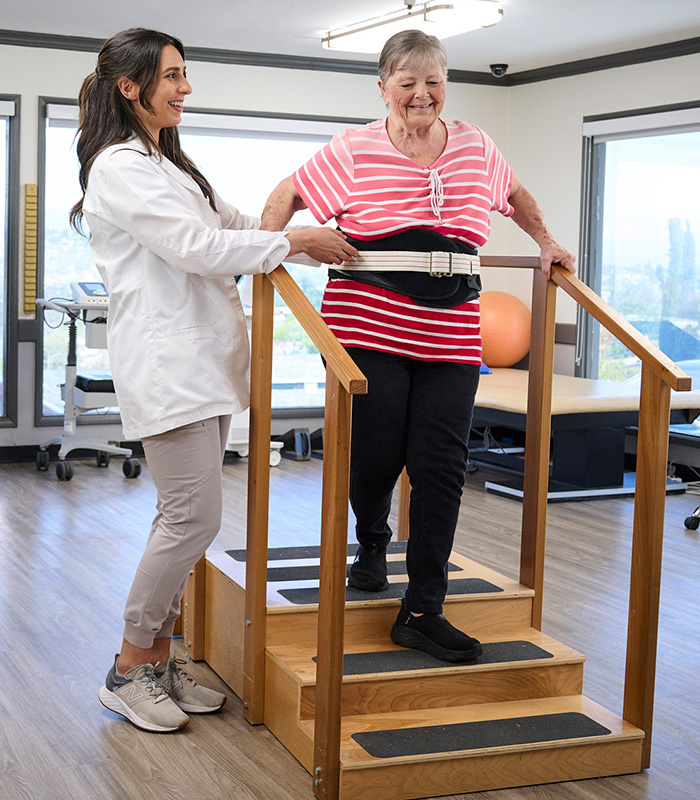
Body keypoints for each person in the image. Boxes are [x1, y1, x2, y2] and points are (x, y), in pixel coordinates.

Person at [71, 28, 358, 733]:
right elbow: (199, 249)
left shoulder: (170, 165)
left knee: (188, 520)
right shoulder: (119, 167)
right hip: (168, 368)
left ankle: (160, 658)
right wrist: (293, 241)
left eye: (184, 74)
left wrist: (303, 226)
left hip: (201, 366)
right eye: (172, 75)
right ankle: (130, 665)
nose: (186, 88)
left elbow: (227, 223)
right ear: (130, 86)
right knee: (191, 518)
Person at [261, 30, 575, 663]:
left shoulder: (475, 146)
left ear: (445, 86)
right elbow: (288, 192)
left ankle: (423, 607)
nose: (421, 94)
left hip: (452, 328)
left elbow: (513, 195)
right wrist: (265, 248)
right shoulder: (353, 149)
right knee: (375, 456)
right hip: (366, 323)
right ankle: (373, 539)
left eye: (432, 81)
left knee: (442, 464)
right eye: (407, 82)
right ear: (383, 89)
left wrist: (546, 241)